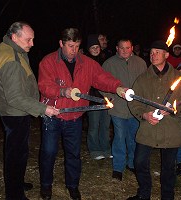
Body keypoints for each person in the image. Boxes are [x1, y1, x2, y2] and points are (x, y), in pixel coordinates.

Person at [38, 28, 125, 200]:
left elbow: (102, 78)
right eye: (70, 46)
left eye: (77, 46)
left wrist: (117, 87)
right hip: (52, 116)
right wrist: (63, 91)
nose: (74, 50)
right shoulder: (48, 62)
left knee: (73, 154)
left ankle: (73, 186)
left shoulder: (86, 63)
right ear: (61, 43)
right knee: (48, 153)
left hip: (75, 117)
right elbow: (44, 86)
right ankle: (46, 185)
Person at [0, 21, 60, 200]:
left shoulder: (12, 49)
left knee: (18, 152)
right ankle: (14, 194)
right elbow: (14, 97)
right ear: (15, 37)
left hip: (17, 111)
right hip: (14, 112)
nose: (32, 44)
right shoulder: (10, 58)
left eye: (33, 39)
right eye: (29, 40)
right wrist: (43, 109)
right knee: (16, 155)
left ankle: (17, 183)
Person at [127, 40, 181, 200]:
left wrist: (174, 110)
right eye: (151, 52)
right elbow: (134, 102)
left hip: (170, 128)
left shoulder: (179, 78)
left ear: (166, 55)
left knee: (169, 168)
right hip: (148, 127)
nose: (153, 55)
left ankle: (167, 196)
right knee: (139, 161)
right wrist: (144, 115)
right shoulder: (142, 78)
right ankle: (144, 193)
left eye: (157, 52)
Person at [102, 38, 147, 181]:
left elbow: (146, 84)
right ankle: (118, 167)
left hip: (136, 109)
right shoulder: (109, 64)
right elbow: (102, 83)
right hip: (118, 109)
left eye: (128, 48)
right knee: (120, 137)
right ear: (117, 48)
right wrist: (110, 97)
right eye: (122, 48)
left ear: (132, 48)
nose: (125, 50)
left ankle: (132, 163)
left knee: (134, 137)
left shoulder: (140, 63)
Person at [85, 34, 112, 160]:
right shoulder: (85, 61)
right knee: (94, 126)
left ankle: (106, 148)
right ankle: (94, 149)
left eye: (97, 46)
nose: (95, 49)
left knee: (105, 126)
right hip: (92, 99)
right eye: (92, 47)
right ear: (88, 49)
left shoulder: (105, 60)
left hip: (106, 98)